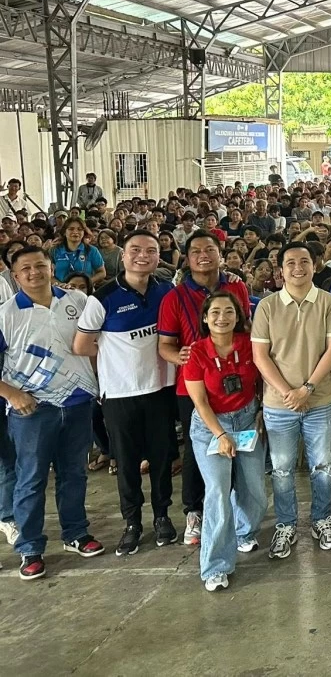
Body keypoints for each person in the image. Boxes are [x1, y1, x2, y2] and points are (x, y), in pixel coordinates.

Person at [0, 246, 104, 580]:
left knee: (74, 473)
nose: (34, 273)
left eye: (40, 265)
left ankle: (76, 533)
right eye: (26, 269)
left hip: (76, 403)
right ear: (15, 277)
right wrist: (12, 394)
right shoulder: (6, 314)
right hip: (32, 409)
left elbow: (95, 344)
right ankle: (30, 548)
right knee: (31, 479)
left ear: (51, 268)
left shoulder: (78, 302)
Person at [74, 230, 176, 556]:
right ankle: (133, 523)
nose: (142, 256)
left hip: (160, 389)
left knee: (161, 459)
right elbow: (82, 345)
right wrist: (110, 369)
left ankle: (162, 517)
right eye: (135, 250)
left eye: (150, 250)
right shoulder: (102, 297)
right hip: (119, 395)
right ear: (123, 255)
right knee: (127, 463)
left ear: (159, 257)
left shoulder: (166, 291)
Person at [251, 241, 331, 558]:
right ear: (280, 269)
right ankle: (286, 525)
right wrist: (287, 392)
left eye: (304, 261)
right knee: (281, 469)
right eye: (290, 262)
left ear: (315, 265)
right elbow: (260, 356)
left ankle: (322, 519)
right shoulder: (267, 306)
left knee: (322, 465)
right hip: (279, 406)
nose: (298, 267)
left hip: (318, 401)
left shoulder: (329, 303)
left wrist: (306, 388)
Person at [157, 231, 252, 547]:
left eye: (210, 249)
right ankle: (194, 511)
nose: (203, 255)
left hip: (237, 390)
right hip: (196, 388)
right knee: (199, 453)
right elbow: (166, 346)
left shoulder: (236, 286)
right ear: (186, 258)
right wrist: (181, 357)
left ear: (220, 253)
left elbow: (245, 329)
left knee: (240, 451)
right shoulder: (175, 297)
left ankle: (239, 514)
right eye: (195, 250)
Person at [180, 291, 268, 591]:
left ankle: (243, 533)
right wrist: (220, 435)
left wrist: (261, 408)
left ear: (238, 316)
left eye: (229, 311)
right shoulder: (197, 352)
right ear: (205, 318)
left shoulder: (248, 344)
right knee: (218, 491)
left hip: (247, 419)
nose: (222, 317)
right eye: (215, 312)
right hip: (211, 426)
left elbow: (262, 379)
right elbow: (200, 402)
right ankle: (215, 566)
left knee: (254, 490)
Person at [50, 217, 106, 284]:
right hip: (60, 291)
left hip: (84, 292)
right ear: (64, 232)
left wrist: (87, 283)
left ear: (84, 233)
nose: (75, 232)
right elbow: (47, 274)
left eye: (80, 229)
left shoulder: (92, 250)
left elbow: (102, 272)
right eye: (71, 229)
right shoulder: (54, 250)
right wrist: (61, 286)